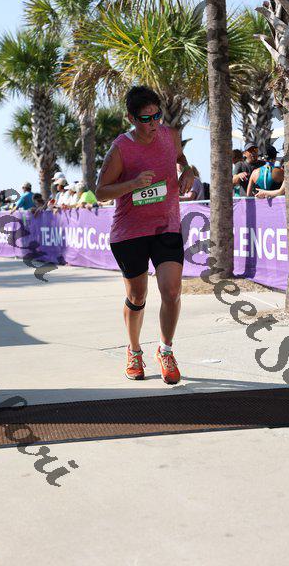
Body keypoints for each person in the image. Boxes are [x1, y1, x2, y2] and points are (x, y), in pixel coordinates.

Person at [95, 85, 194, 384]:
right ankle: (134, 351)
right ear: (131, 118)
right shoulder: (121, 148)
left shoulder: (170, 135)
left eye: (157, 116)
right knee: (137, 296)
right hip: (130, 232)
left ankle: (166, 350)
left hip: (166, 226)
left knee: (172, 291)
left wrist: (188, 171)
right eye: (145, 119)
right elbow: (101, 192)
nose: (153, 124)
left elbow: (181, 159)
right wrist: (133, 184)